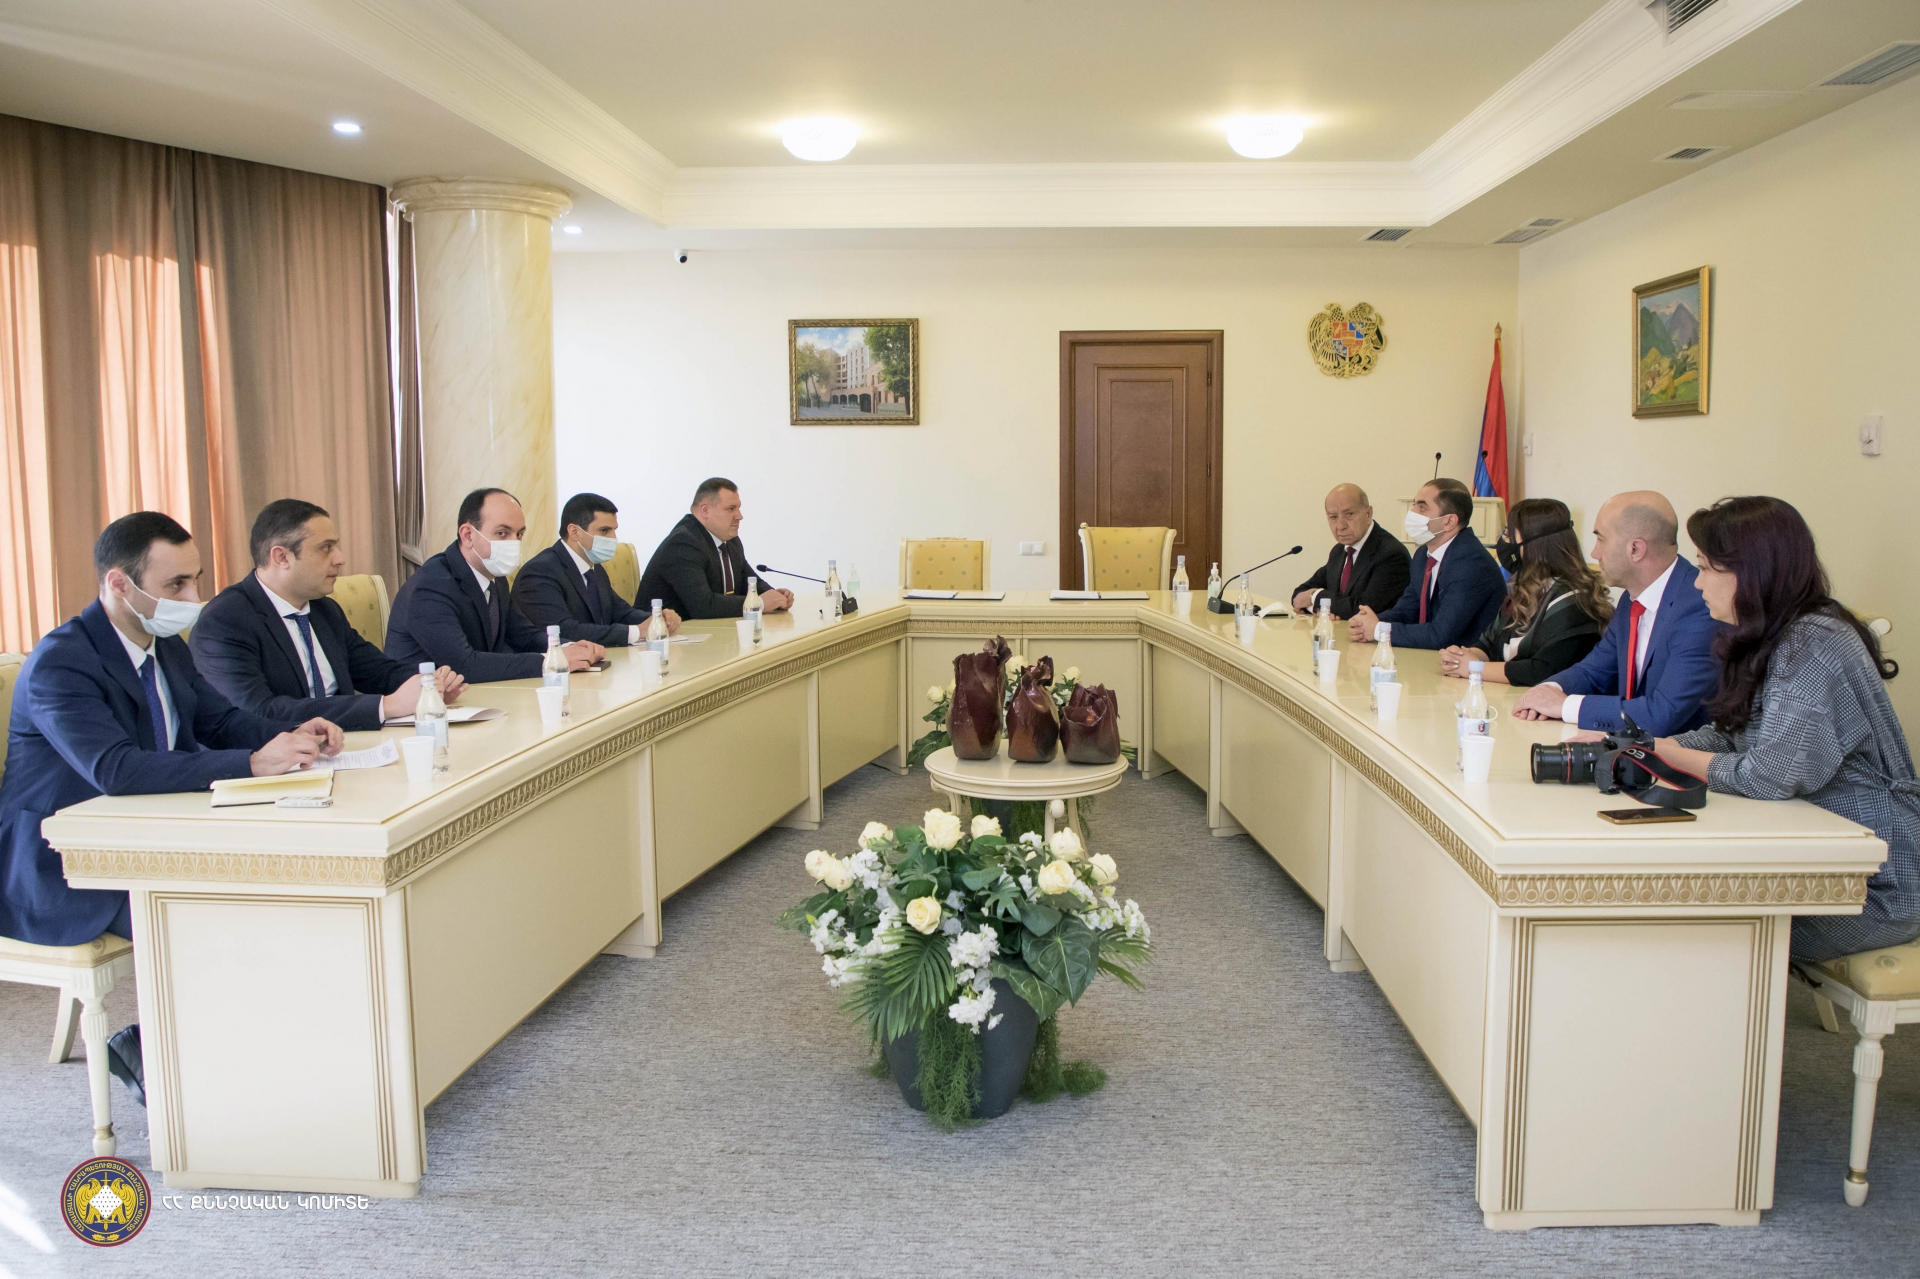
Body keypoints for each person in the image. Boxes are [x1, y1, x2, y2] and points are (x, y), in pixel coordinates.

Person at [0, 513, 341, 1105]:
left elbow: (221, 721)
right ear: (119, 584)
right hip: (61, 864)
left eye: (196, 579)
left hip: (146, 837)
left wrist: (290, 733)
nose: (192, 597)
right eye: (176, 584)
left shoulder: (163, 645)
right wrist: (251, 764)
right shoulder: (62, 661)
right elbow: (116, 770)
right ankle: (160, 1052)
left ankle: (229, 1053)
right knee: (209, 917)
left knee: (272, 897)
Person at [1646, 497, 1918, 962]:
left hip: (1879, 882)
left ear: (1751, 572)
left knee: (1699, 930)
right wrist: (1652, 747)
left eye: (1707, 568)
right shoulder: (1776, 633)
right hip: (1827, 859)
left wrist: (1668, 755)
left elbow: (1769, 775)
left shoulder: (1812, 642)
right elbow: (1731, 735)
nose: (1698, 582)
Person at [192, 499, 465, 730]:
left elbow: (377, 672)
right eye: (326, 548)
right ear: (281, 557)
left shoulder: (324, 608)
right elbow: (258, 712)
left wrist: (430, 684)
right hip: (278, 762)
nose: (340, 558)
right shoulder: (225, 621)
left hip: (344, 746)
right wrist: (387, 706)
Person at [1512, 490, 1722, 734]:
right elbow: (1593, 671)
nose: (1594, 553)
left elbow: (1662, 714)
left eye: (1601, 539)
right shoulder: (1631, 600)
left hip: (1681, 753)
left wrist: (1564, 705)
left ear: (1635, 549)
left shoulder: (1700, 606)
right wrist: (1547, 691)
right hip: (1632, 748)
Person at [385, 488, 605, 682]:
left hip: (479, 696)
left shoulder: (495, 577)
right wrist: (552, 661)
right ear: (468, 535)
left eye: (519, 534)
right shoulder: (431, 586)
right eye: (502, 533)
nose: (514, 543)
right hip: (424, 707)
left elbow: (524, 636)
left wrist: (568, 647)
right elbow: (464, 665)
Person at [1439, 498, 1610, 686]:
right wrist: (1460, 658)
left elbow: (1543, 670)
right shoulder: (1525, 588)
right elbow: (1488, 644)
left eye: (1508, 534)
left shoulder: (1574, 600)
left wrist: (1474, 668)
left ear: (1535, 545)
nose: (1502, 541)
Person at [1348, 480, 1505, 651]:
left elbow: (1441, 635)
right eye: (1414, 505)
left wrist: (1379, 630)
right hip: (1433, 656)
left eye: (1422, 508)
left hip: (1468, 660)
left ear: (1449, 521)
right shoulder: (1423, 555)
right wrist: (1369, 622)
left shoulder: (1471, 561)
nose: (1412, 512)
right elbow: (1407, 610)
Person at [514, 492, 681, 646]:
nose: (613, 538)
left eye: (614, 530)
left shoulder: (594, 567)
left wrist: (658, 619)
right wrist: (637, 632)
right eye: (604, 530)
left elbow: (620, 612)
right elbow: (563, 630)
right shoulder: (540, 571)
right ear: (574, 531)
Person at [637, 477, 794, 620]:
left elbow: (750, 582)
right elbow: (703, 605)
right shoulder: (683, 543)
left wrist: (776, 596)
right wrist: (759, 603)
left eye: (738, 508)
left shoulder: (730, 541)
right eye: (731, 509)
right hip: (662, 637)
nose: (739, 516)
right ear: (705, 510)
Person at [1290, 483, 1411, 619]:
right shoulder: (1339, 550)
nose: (1340, 526)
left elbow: (1364, 610)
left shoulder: (1391, 554)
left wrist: (1315, 597)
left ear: (1368, 513)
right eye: (1333, 517)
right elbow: (1299, 595)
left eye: (1349, 514)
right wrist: (1321, 609)